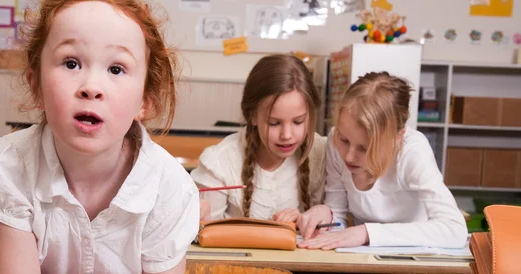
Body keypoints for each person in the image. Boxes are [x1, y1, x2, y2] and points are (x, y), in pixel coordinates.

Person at [0, 0, 199, 274]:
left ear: (145, 101)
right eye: (71, 63)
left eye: (117, 68)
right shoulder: (12, 164)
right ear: (35, 84)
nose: (91, 87)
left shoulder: (170, 187)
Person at [298, 71, 468, 250]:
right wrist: (326, 216)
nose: (348, 156)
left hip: (415, 264)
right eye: (344, 140)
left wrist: (366, 233)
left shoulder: (413, 153)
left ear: (398, 137)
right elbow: (339, 219)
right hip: (365, 259)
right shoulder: (335, 140)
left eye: (365, 148)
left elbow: (454, 230)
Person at [191, 54, 327, 222]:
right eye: (274, 123)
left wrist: (307, 220)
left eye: (298, 122)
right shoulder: (220, 162)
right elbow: (205, 234)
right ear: (253, 116)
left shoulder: (323, 152)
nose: (287, 135)